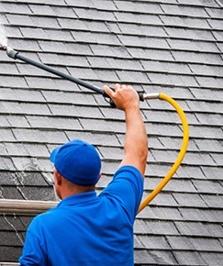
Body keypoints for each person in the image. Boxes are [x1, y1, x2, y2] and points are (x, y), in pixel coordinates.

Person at [19, 84, 148, 266]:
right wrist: (131, 105)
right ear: (98, 177)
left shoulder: (43, 227)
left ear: (57, 177)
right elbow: (137, 155)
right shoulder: (119, 207)